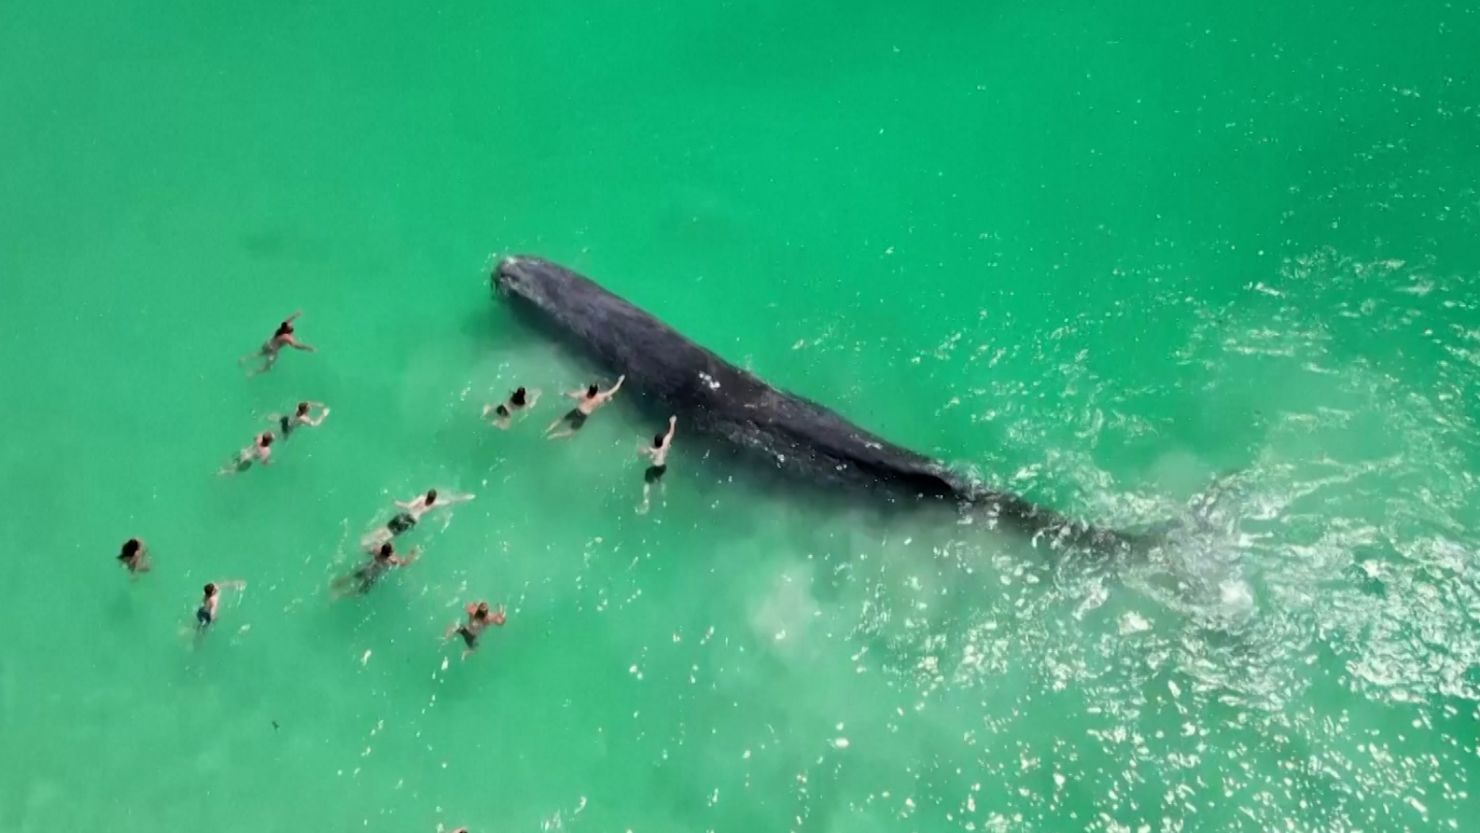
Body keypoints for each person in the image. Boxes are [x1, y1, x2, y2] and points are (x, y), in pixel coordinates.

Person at [545, 375, 625, 439]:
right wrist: (620, 381)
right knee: (572, 431)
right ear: (596, 391)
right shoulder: (600, 397)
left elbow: (572, 395)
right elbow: (613, 390)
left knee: (561, 419)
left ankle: (548, 430)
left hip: (577, 410)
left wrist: (564, 393)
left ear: (590, 389)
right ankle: (555, 435)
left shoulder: (584, 393)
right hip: (583, 415)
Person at [380, 488, 475, 539]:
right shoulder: (435, 503)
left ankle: (373, 538)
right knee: (391, 535)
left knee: (386, 528)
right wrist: (465, 498)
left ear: (427, 495)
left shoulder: (421, 498)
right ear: (434, 498)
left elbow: (408, 506)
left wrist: (397, 503)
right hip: (413, 521)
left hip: (406, 515)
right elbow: (449, 502)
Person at [332, 542, 419, 597]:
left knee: (351, 576)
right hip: (372, 575)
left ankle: (335, 585)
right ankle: (341, 595)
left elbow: (367, 550)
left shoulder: (376, 550)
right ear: (390, 553)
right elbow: (404, 563)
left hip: (366, 567)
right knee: (361, 592)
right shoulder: (390, 561)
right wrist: (412, 554)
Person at [242, 311, 314, 375]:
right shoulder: (287, 337)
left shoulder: (280, 327)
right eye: (292, 326)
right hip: (272, 350)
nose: (293, 325)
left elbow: (287, 320)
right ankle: (252, 373)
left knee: (260, 353)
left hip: (267, 344)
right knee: (267, 368)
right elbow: (296, 346)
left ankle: (244, 359)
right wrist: (308, 348)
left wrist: (295, 315)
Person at [636, 415, 678, 514]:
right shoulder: (665, 444)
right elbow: (671, 433)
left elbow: (641, 452)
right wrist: (672, 422)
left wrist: (640, 449)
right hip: (663, 467)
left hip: (654, 468)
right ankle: (663, 492)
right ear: (663, 441)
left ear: (655, 442)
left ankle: (646, 502)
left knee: (647, 484)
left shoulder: (653, 450)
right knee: (659, 479)